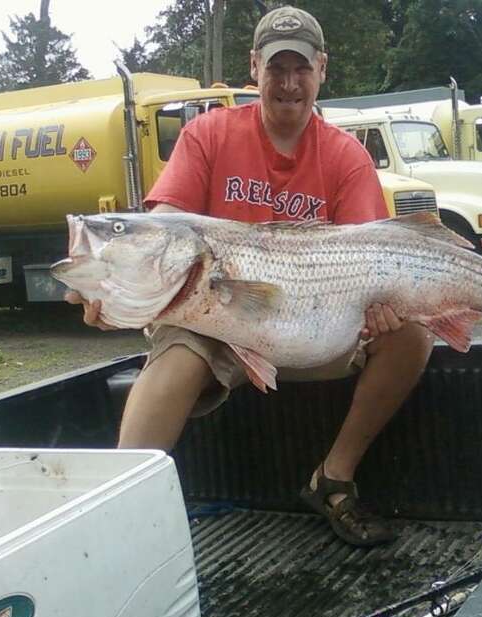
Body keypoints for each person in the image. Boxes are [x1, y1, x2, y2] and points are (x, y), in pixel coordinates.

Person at [65, 6, 434, 546]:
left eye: (301, 69)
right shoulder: (207, 135)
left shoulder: (346, 155)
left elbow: (371, 253)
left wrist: (383, 310)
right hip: (212, 322)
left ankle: (333, 479)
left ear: (321, 70)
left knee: (413, 336)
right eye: (276, 68)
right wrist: (118, 287)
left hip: (312, 330)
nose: (288, 84)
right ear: (254, 66)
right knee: (174, 362)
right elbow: (165, 225)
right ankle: (119, 517)